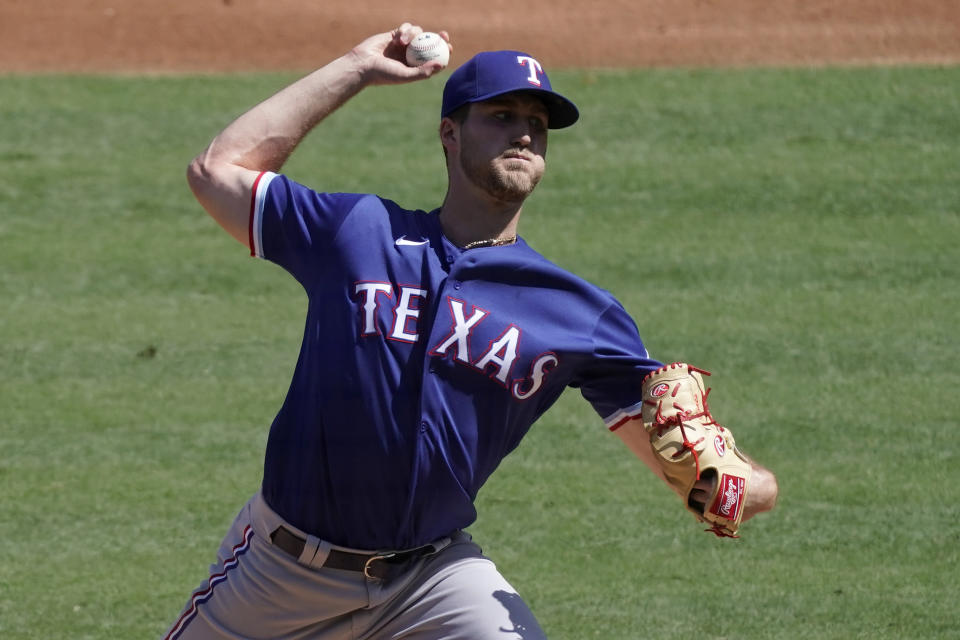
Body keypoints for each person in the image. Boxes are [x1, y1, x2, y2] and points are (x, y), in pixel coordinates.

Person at [166, 22, 778, 640]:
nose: (524, 132)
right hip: (282, 572)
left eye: (538, 123)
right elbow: (217, 169)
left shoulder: (576, 312)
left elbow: (693, 468)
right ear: (449, 135)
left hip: (429, 582)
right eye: (502, 114)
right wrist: (357, 67)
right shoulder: (357, 232)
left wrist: (744, 487)